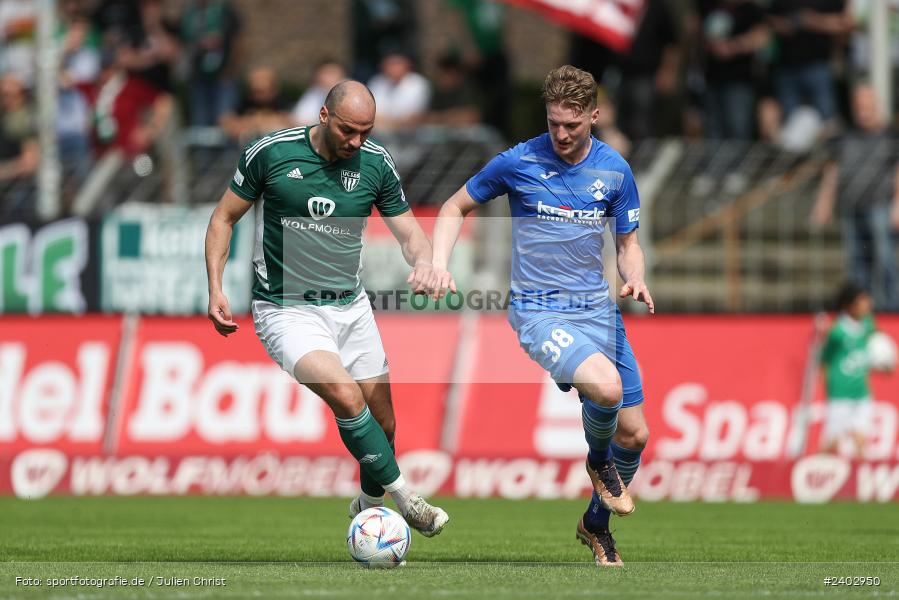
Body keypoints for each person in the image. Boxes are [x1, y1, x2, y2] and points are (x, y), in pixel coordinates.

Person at [205, 80, 449, 537]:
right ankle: (407, 500)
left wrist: (425, 264)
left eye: (366, 131)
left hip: (351, 307)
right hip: (285, 309)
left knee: (384, 422)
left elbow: (410, 233)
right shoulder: (271, 153)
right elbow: (223, 217)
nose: (356, 141)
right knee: (345, 395)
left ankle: (368, 505)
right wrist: (216, 288)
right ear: (322, 116)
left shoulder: (376, 164)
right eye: (348, 130)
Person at [430, 65, 653, 566]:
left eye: (572, 125)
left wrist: (634, 275)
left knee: (635, 435)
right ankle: (599, 463)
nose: (561, 134)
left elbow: (628, 244)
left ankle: (595, 524)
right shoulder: (518, 161)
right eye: (553, 122)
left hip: (598, 309)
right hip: (538, 310)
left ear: (594, 116)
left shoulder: (615, 169)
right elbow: (452, 207)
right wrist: (438, 264)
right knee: (608, 390)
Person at [811, 85, 899, 311]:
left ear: (876, 106)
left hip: (879, 206)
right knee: (856, 264)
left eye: (867, 105)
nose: (863, 111)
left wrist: (897, 204)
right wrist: (824, 203)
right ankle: (860, 311)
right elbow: (832, 172)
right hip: (850, 207)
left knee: (885, 261)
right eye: (859, 106)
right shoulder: (844, 138)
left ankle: (891, 309)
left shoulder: (890, 138)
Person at [819, 283, 877, 457]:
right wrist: (829, 388)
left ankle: (861, 483)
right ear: (848, 305)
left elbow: (876, 349)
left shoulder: (868, 324)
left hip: (861, 393)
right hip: (840, 394)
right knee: (833, 444)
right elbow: (824, 360)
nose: (867, 304)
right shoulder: (837, 332)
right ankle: (813, 472)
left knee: (861, 440)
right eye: (862, 301)